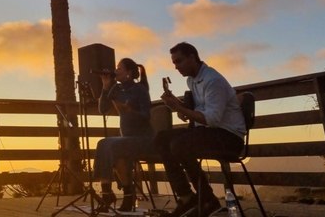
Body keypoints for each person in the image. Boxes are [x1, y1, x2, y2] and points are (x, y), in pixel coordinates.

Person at [155, 42, 246, 217]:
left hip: (229, 136)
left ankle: (206, 199)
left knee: (180, 145)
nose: (176, 67)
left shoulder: (213, 81)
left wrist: (180, 109)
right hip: (210, 132)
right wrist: (178, 105)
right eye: (174, 63)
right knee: (162, 138)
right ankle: (186, 197)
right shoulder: (192, 80)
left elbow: (212, 119)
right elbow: (200, 113)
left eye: (179, 61)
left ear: (192, 57)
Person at [92, 57, 153, 212]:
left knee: (110, 144)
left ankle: (111, 195)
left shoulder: (140, 89)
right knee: (106, 145)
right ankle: (119, 193)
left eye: (119, 68)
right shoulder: (116, 89)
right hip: (126, 140)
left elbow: (146, 115)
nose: (115, 71)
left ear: (129, 73)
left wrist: (130, 110)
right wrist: (105, 87)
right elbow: (103, 109)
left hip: (143, 139)